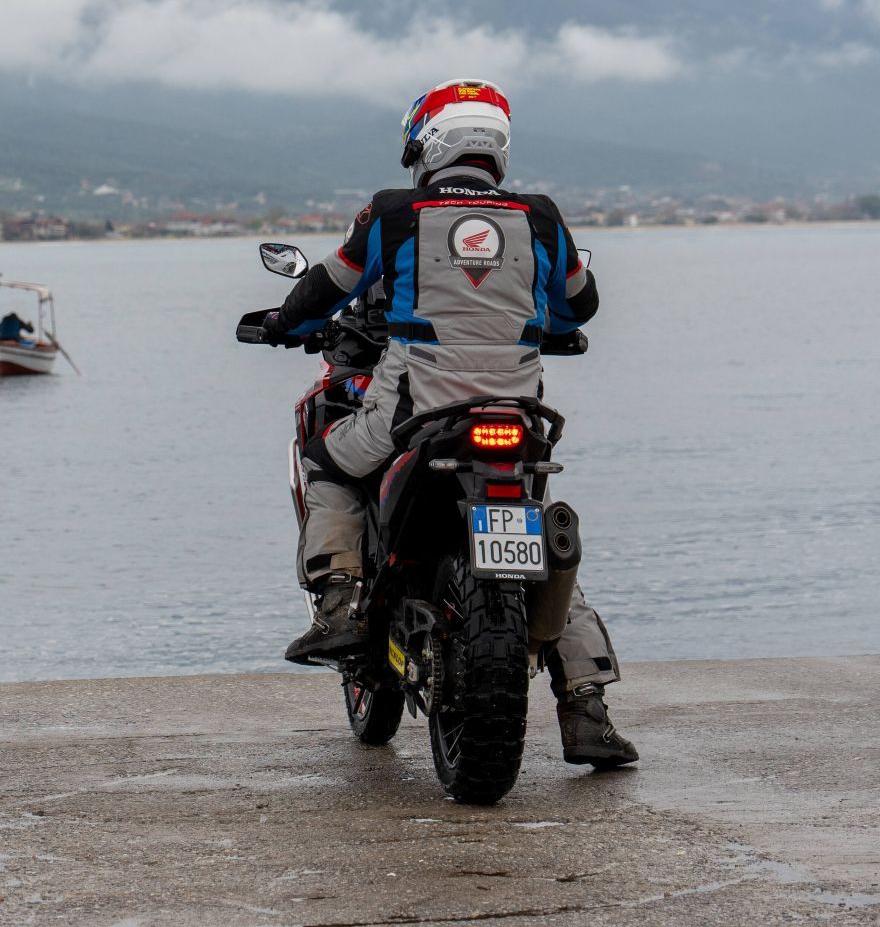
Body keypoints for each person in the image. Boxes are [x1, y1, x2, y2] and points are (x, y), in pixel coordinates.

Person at [262, 79, 637, 769]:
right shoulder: (541, 216)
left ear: (427, 144)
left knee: (325, 459)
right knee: (532, 535)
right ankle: (586, 703)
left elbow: (330, 286)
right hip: (519, 414)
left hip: (414, 412)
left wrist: (286, 321)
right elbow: (576, 306)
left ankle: (339, 603)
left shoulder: (395, 212)